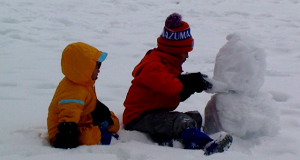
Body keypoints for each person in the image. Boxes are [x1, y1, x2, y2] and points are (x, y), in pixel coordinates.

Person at [123, 13, 232, 155]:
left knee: (194, 118)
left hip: (155, 113)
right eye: (185, 51)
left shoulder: (167, 64)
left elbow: (172, 92)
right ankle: (206, 146)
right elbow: (170, 87)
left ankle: (175, 141)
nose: (187, 56)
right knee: (182, 122)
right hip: (138, 118)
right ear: (174, 50)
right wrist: (189, 81)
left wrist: (192, 86)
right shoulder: (153, 65)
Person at [47, 42, 120, 149]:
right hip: (63, 129)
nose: (99, 70)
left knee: (114, 124)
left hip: (82, 118)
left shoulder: (84, 82)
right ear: (85, 69)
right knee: (90, 138)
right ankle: (97, 131)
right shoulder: (73, 90)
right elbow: (68, 117)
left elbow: (89, 101)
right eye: (97, 66)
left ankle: (99, 128)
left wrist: (102, 112)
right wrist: (66, 138)